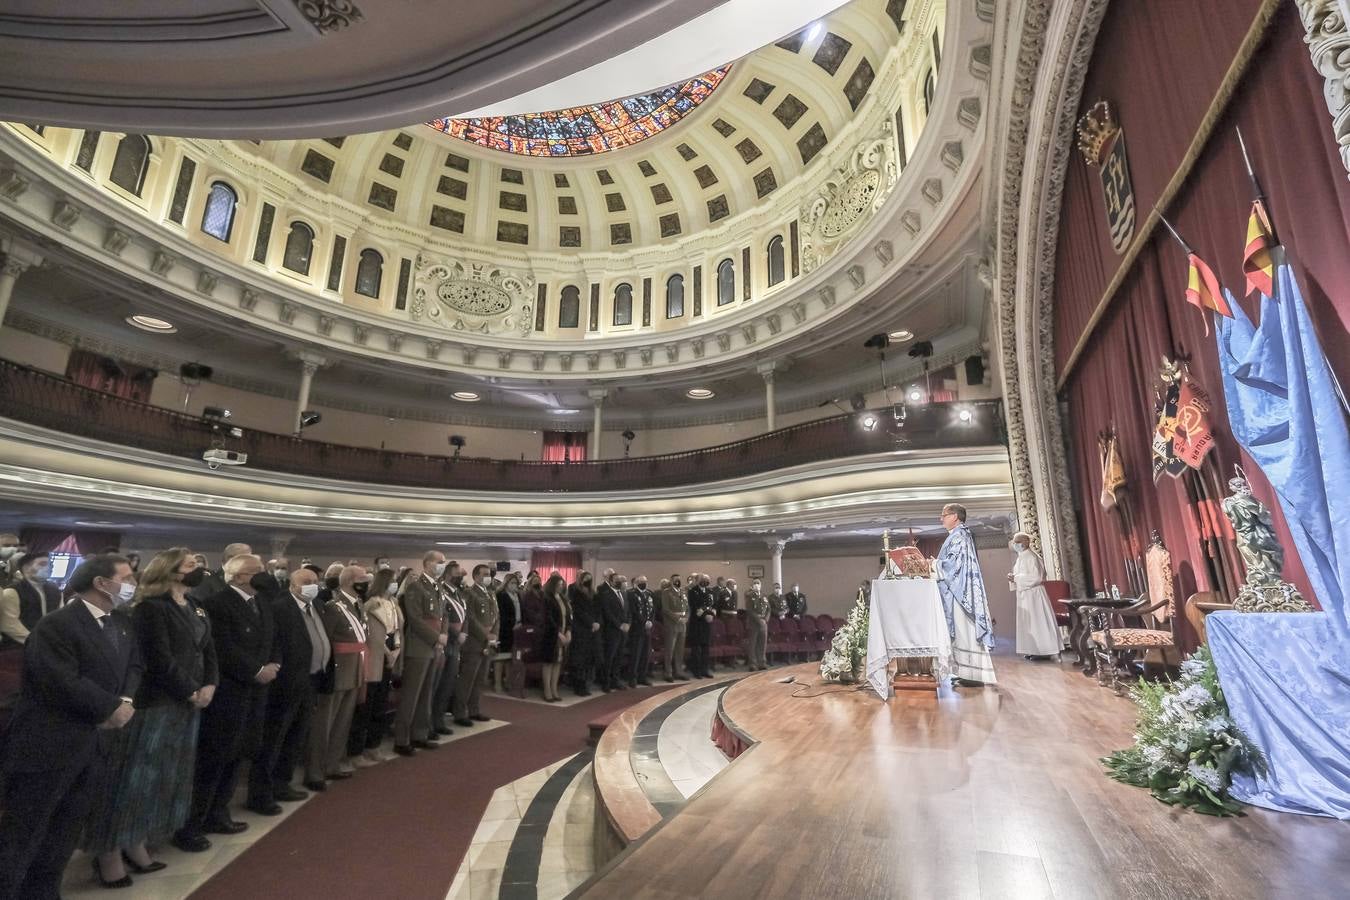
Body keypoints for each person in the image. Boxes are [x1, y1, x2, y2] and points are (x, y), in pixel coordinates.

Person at [0, 554, 142, 899]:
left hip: (93, 744)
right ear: (101, 583)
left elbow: (134, 664)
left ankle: (43, 891)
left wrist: (124, 700)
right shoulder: (58, 624)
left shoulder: (119, 622)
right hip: (49, 742)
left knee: (66, 829)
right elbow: (61, 679)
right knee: (26, 830)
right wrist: (110, 707)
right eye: (126, 577)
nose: (132, 585)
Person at [82, 548, 217, 884]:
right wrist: (190, 689)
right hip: (155, 703)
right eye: (190, 565)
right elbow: (158, 658)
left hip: (186, 704)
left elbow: (209, 649)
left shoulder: (196, 604)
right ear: (170, 571)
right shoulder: (150, 608)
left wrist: (210, 684)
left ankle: (135, 840)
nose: (197, 568)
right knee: (132, 779)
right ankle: (108, 850)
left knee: (160, 779)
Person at [176, 554, 277, 850]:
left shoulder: (262, 604)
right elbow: (221, 647)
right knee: (216, 756)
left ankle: (219, 812)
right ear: (236, 576)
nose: (263, 575)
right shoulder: (218, 604)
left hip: (256, 692)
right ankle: (192, 823)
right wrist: (256, 670)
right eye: (255, 571)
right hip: (230, 692)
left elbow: (274, 640)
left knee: (240, 752)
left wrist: (274, 665)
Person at [249, 566, 328, 810]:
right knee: (275, 739)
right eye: (306, 581)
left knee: (295, 737)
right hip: (286, 684)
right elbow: (275, 644)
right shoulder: (280, 607)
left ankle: (282, 784)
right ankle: (261, 794)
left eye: (315, 580)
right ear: (293, 585)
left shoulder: (317, 606)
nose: (312, 585)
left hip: (310, 681)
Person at [309, 565, 368, 782]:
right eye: (363, 577)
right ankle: (315, 770)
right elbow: (329, 640)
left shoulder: (357, 604)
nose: (367, 581)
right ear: (350, 581)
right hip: (338, 669)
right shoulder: (334, 607)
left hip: (355, 669)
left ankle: (333, 764)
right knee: (325, 723)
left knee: (343, 722)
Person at [935, 503, 997, 685]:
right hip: (957, 589)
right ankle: (965, 672)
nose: (941, 519)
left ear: (955, 516)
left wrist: (934, 565)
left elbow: (954, 565)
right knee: (962, 633)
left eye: (944, 515)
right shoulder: (958, 535)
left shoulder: (960, 535)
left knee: (965, 630)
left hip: (961, 593)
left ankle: (974, 675)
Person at [393, 551, 448, 755]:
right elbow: (415, 619)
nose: (442, 565)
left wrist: (443, 635)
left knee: (426, 693)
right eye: (439, 562)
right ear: (427, 563)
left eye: (444, 562)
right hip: (419, 646)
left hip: (434, 646)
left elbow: (443, 615)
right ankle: (402, 738)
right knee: (411, 694)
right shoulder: (416, 586)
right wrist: (436, 637)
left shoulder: (438, 586)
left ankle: (420, 734)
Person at [350, 567, 401, 764]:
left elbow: (396, 629)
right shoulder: (371, 604)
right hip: (375, 655)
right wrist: (388, 653)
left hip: (390, 652)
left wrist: (396, 648)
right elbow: (371, 634)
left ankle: (374, 745)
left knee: (381, 703)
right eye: (393, 580)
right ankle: (357, 750)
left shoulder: (393, 603)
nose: (395, 584)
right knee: (366, 705)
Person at [452, 563, 499, 727]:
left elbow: (496, 617)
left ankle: (474, 709)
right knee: (467, 679)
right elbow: (470, 618)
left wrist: (493, 637)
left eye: (489, 574)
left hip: (488, 642)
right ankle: (459, 712)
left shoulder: (491, 593)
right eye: (485, 574)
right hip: (474, 642)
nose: (488, 577)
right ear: (476, 576)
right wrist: (486, 636)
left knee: (480, 679)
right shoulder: (470, 593)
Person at [1009, 532, 1060, 659]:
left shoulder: (1031, 557)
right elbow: (1019, 575)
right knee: (1029, 623)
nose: (1015, 545)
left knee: (1038, 621)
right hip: (1026, 595)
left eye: (1017, 542)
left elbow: (1035, 577)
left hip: (1034, 595)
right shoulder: (1021, 557)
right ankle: (1032, 649)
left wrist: (1015, 578)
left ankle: (1044, 651)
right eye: (1014, 542)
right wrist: (1013, 578)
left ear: (1025, 542)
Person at [431, 561, 465, 735]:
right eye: (458, 574)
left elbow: (465, 616)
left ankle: (440, 719)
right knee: (438, 684)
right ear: (448, 573)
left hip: (456, 644)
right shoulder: (441, 591)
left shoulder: (458, 594)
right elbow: (443, 619)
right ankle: (432, 721)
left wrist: (463, 633)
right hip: (445, 642)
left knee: (448, 684)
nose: (460, 577)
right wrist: (454, 634)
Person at [12, 552, 62, 636]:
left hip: (50, 638)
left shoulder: (55, 590)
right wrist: (34, 641)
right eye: (43, 564)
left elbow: (60, 615)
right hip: (22, 642)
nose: (50, 567)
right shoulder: (13, 591)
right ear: (26, 568)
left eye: (51, 564)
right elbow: (11, 624)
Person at [538, 574, 570, 702]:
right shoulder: (546, 598)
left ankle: (554, 689)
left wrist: (568, 631)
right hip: (550, 635)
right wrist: (558, 633)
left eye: (562, 585)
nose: (561, 587)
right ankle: (547, 690)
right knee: (549, 663)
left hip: (562, 633)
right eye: (558, 585)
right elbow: (548, 618)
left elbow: (567, 616)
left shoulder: (562, 598)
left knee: (558, 662)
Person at [567, 572, 599, 696]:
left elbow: (597, 610)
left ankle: (586, 683)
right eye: (586, 579)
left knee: (588, 659)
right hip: (580, 629)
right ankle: (578, 685)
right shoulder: (576, 593)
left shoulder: (593, 593)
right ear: (581, 580)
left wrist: (596, 622)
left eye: (589, 579)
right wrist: (591, 623)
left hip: (592, 630)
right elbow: (578, 611)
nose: (588, 581)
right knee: (579, 659)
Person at [597, 569, 629, 692]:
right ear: (611, 581)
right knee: (609, 657)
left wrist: (627, 623)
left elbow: (628, 611)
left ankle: (616, 680)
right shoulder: (606, 594)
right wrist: (619, 625)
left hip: (623, 631)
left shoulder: (624, 594)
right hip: (612, 631)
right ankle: (606, 682)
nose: (620, 582)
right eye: (617, 581)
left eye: (620, 581)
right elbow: (608, 613)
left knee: (619, 657)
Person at [624, 576, 655, 687]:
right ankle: (632, 677)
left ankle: (643, 676)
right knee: (636, 654)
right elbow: (634, 611)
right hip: (637, 628)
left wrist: (650, 621)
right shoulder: (632, 594)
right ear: (636, 583)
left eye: (645, 582)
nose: (644, 583)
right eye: (641, 582)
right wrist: (644, 622)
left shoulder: (649, 593)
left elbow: (652, 610)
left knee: (645, 654)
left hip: (648, 629)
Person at [494, 572, 522, 692]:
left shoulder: (518, 596)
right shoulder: (501, 595)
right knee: (500, 658)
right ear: (506, 583)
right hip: (504, 630)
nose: (514, 585)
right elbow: (501, 614)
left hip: (517, 630)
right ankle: (497, 683)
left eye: (516, 583)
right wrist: (512, 624)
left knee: (510, 658)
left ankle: (508, 681)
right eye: (512, 583)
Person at [659, 575, 689, 682]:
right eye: (676, 580)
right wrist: (678, 618)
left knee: (680, 650)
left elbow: (688, 607)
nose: (678, 581)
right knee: (670, 650)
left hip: (682, 624)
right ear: (671, 581)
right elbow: (666, 609)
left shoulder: (683, 592)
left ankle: (679, 671)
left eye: (679, 579)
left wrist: (686, 618)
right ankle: (668, 672)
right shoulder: (667, 592)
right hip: (672, 624)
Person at [686, 574, 714, 678]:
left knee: (706, 648)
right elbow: (695, 607)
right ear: (699, 580)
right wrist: (706, 614)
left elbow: (712, 605)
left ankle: (705, 670)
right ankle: (696, 670)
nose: (705, 581)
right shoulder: (693, 591)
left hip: (707, 624)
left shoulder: (710, 591)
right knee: (696, 649)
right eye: (703, 580)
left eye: (707, 580)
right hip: (697, 623)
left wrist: (711, 615)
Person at [746, 579, 769, 671]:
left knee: (762, 644)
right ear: (752, 586)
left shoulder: (764, 596)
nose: (756, 585)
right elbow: (750, 610)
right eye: (754, 584)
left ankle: (762, 662)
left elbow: (769, 609)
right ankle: (752, 664)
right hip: (754, 623)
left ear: (761, 585)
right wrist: (759, 620)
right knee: (753, 644)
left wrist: (765, 619)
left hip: (763, 623)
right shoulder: (749, 596)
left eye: (758, 583)